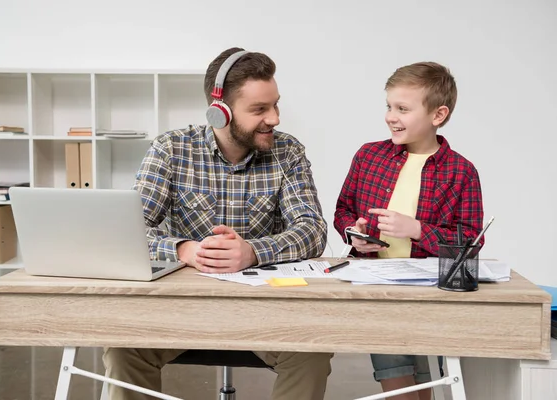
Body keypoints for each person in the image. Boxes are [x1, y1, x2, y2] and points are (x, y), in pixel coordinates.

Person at [102, 47, 333, 400]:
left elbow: (312, 230)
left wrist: (252, 252)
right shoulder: (172, 149)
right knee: (123, 350)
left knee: (311, 354)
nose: (274, 118)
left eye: (275, 104)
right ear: (220, 112)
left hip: (266, 313)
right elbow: (125, 232)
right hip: (183, 310)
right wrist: (185, 250)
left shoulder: (288, 152)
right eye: (259, 109)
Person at [334, 61, 484, 399]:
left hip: (429, 290)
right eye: (389, 106)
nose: (391, 116)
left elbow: (471, 242)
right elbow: (343, 209)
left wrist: (417, 229)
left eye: (402, 108)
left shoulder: (461, 172)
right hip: (378, 283)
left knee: (424, 373)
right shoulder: (369, 156)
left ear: (438, 115)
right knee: (395, 366)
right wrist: (353, 232)